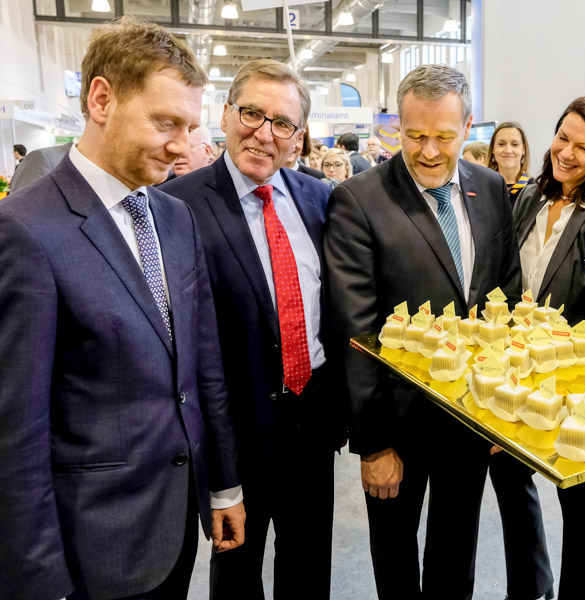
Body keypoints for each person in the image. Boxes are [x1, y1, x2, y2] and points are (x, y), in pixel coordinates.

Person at [0, 16, 244, 600]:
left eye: (190, 127)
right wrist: (38, 579)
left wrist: (223, 486)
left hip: (176, 526)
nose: (182, 146)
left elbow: (202, 363)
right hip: (90, 548)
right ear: (101, 99)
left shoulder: (175, 216)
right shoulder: (26, 231)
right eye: (165, 123)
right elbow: (15, 430)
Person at [324, 64, 521, 599]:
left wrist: (502, 411)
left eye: (444, 136)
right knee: (395, 559)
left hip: (471, 416)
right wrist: (373, 446)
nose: (429, 151)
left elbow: (505, 297)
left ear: (469, 126)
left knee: (456, 554)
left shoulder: (490, 187)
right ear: (397, 126)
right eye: (414, 136)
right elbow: (355, 330)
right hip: (396, 424)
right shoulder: (359, 200)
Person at [160, 58, 341, 600]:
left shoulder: (320, 199)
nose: (264, 133)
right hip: (233, 434)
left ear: (299, 138)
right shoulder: (177, 205)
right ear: (225, 115)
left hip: (311, 423)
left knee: (309, 570)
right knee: (237, 577)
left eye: (282, 123)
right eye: (252, 114)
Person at [490, 95, 585, 600]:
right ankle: (530, 585)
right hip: (514, 366)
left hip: (572, 376)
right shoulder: (530, 197)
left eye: (584, 148)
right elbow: (508, 283)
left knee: (578, 496)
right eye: (562, 138)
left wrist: (566, 378)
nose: (567, 153)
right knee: (508, 478)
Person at [487, 121, 533, 204]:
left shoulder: (535, 190)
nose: (508, 150)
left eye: (515, 144)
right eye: (501, 144)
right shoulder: (482, 187)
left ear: (524, 149)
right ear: (493, 149)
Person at [8, 140, 74, 192]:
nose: (13, 154)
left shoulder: (38, 159)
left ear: (17, 152)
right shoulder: (33, 160)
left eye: (13, 152)